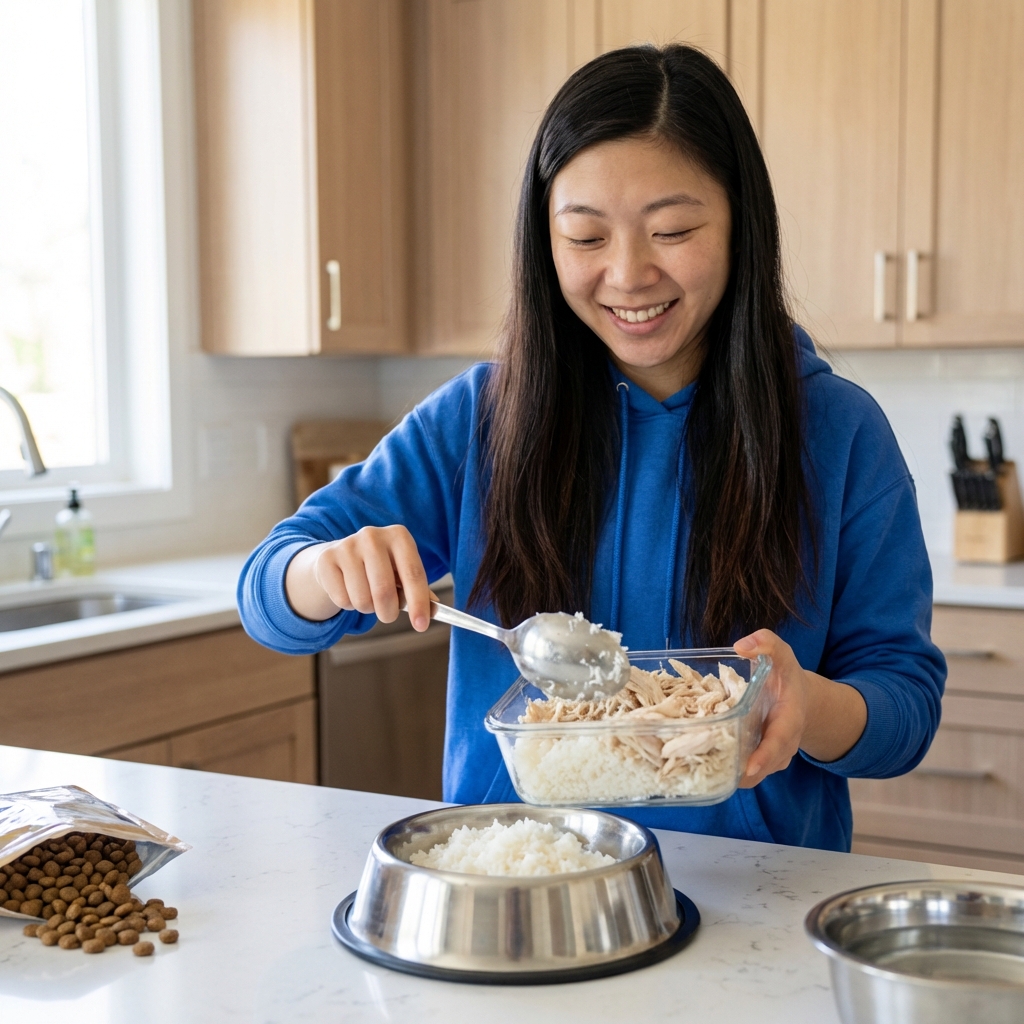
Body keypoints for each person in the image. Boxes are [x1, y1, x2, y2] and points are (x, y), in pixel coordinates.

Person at [239, 44, 945, 851]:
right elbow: (266, 592)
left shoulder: (839, 432)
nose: (628, 274)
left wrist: (808, 707)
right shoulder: (483, 418)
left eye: (672, 230)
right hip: (523, 882)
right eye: (584, 237)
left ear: (741, 223)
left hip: (753, 894)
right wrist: (322, 574)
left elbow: (906, 706)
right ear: (544, 241)